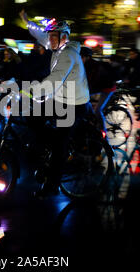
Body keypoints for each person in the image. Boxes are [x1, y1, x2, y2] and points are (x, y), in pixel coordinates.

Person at [19, 10, 90, 198]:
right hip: (60, 99)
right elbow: (39, 34)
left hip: (75, 105)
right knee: (32, 116)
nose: (49, 40)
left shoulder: (68, 55)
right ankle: (50, 144)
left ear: (64, 37)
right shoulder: (55, 46)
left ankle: (52, 186)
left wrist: (32, 91)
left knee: (59, 144)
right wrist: (27, 21)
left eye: (53, 36)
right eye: (49, 36)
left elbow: (55, 79)